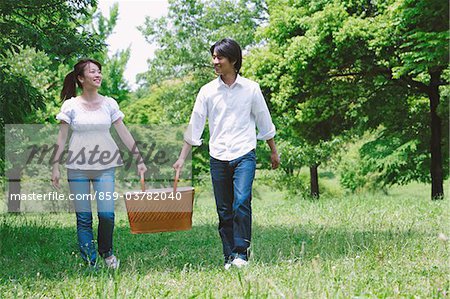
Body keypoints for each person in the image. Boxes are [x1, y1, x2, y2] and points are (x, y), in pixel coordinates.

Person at [173, 38, 280, 269]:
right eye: (213, 57)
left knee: (241, 201)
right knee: (224, 209)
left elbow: (264, 120)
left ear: (233, 60)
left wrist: (273, 151)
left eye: (219, 57)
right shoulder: (207, 92)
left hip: (244, 153)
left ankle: (241, 253)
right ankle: (229, 256)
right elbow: (195, 124)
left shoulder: (251, 88)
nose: (215, 61)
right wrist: (182, 158)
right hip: (218, 155)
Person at [51, 58, 147, 269]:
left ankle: (107, 252)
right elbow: (61, 138)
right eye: (92, 72)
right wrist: (55, 166)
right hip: (77, 167)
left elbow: (123, 131)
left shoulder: (109, 103)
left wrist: (138, 158)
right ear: (80, 78)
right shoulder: (70, 105)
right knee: (84, 217)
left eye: (99, 71)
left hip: (105, 166)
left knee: (106, 214)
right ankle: (90, 261)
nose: (98, 75)